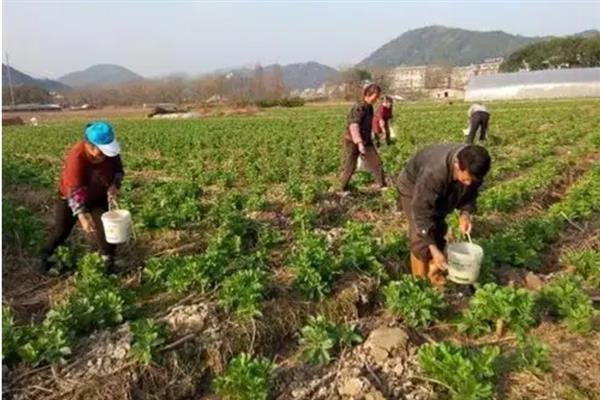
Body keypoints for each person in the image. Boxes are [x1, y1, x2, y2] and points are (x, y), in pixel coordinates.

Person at [396, 144, 491, 286]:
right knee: (421, 238)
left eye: (473, 180)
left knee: (438, 226)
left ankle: (434, 274)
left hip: (443, 183)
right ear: (457, 165)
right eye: (466, 179)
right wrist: (433, 249)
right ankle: (420, 283)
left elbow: (470, 194)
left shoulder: (475, 167)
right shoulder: (434, 172)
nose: (469, 183)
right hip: (413, 187)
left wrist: (466, 214)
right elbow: (421, 212)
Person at [41, 121, 124, 274]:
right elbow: (74, 189)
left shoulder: (110, 151)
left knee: (106, 229)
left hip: (98, 196)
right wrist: (83, 217)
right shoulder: (77, 156)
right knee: (61, 230)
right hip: (71, 197)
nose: (105, 157)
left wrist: (114, 185)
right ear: (90, 146)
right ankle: (45, 259)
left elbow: (119, 171)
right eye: (101, 153)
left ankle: (108, 264)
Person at [340, 84, 386, 191]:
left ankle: (382, 186)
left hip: (366, 140)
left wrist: (373, 134)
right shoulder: (358, 107)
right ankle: (342, 188)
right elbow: (354, 125)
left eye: (378, 96)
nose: (377, 99)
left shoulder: (369, 107)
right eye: (375, 96)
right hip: (353, 141)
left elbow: (370, 123)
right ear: (367, 94)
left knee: (376, 163)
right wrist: (359, 143)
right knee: (350, 165)